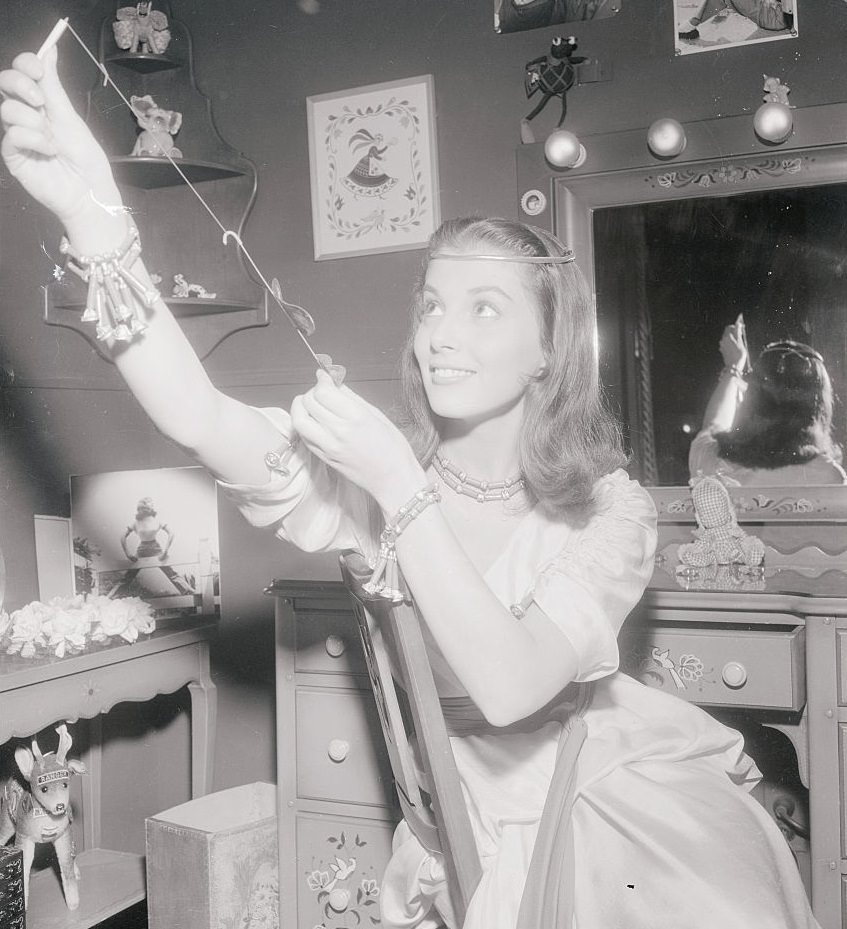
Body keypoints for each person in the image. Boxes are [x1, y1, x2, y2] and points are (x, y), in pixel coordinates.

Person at [0, 47, 821, 929]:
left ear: (549, 349)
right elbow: (195, 413)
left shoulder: (611, 511)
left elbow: (510, 685)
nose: (439, 334)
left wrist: (400, 484)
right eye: (431, 304)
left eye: (483, 308)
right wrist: (91, 212)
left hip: (600, 789)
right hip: (476, 825)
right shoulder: (368, 484)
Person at [690, 316, 846, 486]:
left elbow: (712, 426)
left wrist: (733, 367)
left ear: (753, 400)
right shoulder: (829, 477)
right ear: (818, 408)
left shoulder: (710, 460)